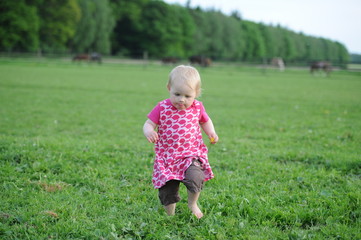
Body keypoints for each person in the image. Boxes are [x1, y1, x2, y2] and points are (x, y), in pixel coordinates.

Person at [143, 65, 218, 219]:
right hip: (168, 157)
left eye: (187, 96)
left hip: (191, 153)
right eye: (177, 94)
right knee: (168, 186)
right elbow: (149, 123)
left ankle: (192, 203)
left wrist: (211, 132)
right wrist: (149, 131)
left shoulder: (197, 108)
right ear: (169, 88)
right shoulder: (162, 107)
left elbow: (205, 121)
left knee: (196, 177)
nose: (181, 100)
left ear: (196, 93)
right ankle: (170, 214)